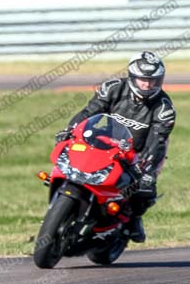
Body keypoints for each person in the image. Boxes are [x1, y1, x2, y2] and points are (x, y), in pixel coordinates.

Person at [55, 51, 176, 243]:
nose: (148, 84)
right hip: (108, 141)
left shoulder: (164, 108)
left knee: (144, 187)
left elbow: (158, 140)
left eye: (153, 80)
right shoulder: (113, 88)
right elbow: (90, 111)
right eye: (143, 79)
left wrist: (146, 164)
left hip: (141, 150)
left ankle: (134, 219)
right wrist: (70, 130)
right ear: (132, 76)